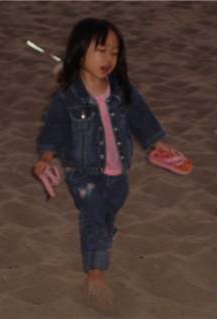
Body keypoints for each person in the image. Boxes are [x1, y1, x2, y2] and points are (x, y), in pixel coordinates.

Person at [33, 17, 177, 311]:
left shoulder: (123, 91)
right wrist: (46, 158)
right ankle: (96, 276)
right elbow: (54, 129)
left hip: (118, 171)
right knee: (94, 214)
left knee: (109, 209)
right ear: (80, 51)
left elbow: (142, 118)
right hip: (84, 173)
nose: (109, 58)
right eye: (101, 50)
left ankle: (103, 231)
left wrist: (156, 142)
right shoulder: (68, 99)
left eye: (114, 52)